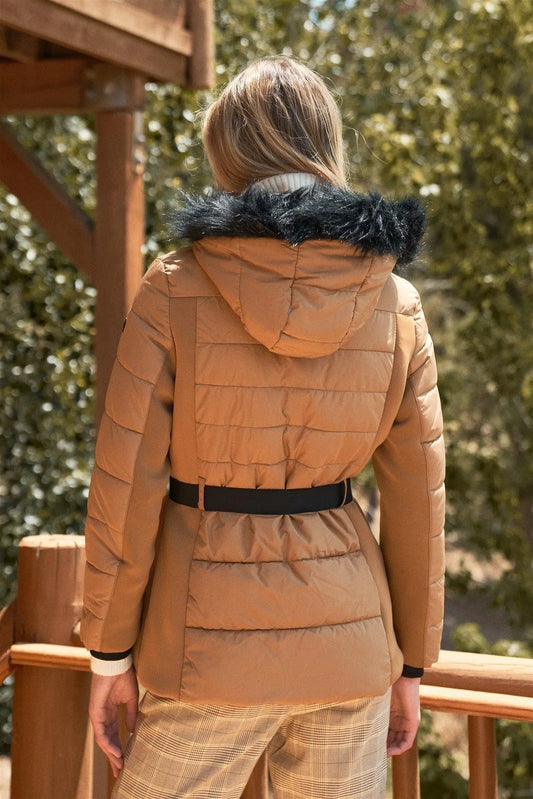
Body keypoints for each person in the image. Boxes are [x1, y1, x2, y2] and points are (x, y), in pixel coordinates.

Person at [81, 57, 445, 799]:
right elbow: (418, 498)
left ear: (227, 151)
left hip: (204, 645)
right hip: (350, 643)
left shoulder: (174, 286)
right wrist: (410, 662)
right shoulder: (395, 300)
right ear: (326, 143)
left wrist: (109, 655)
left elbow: (126, 483)